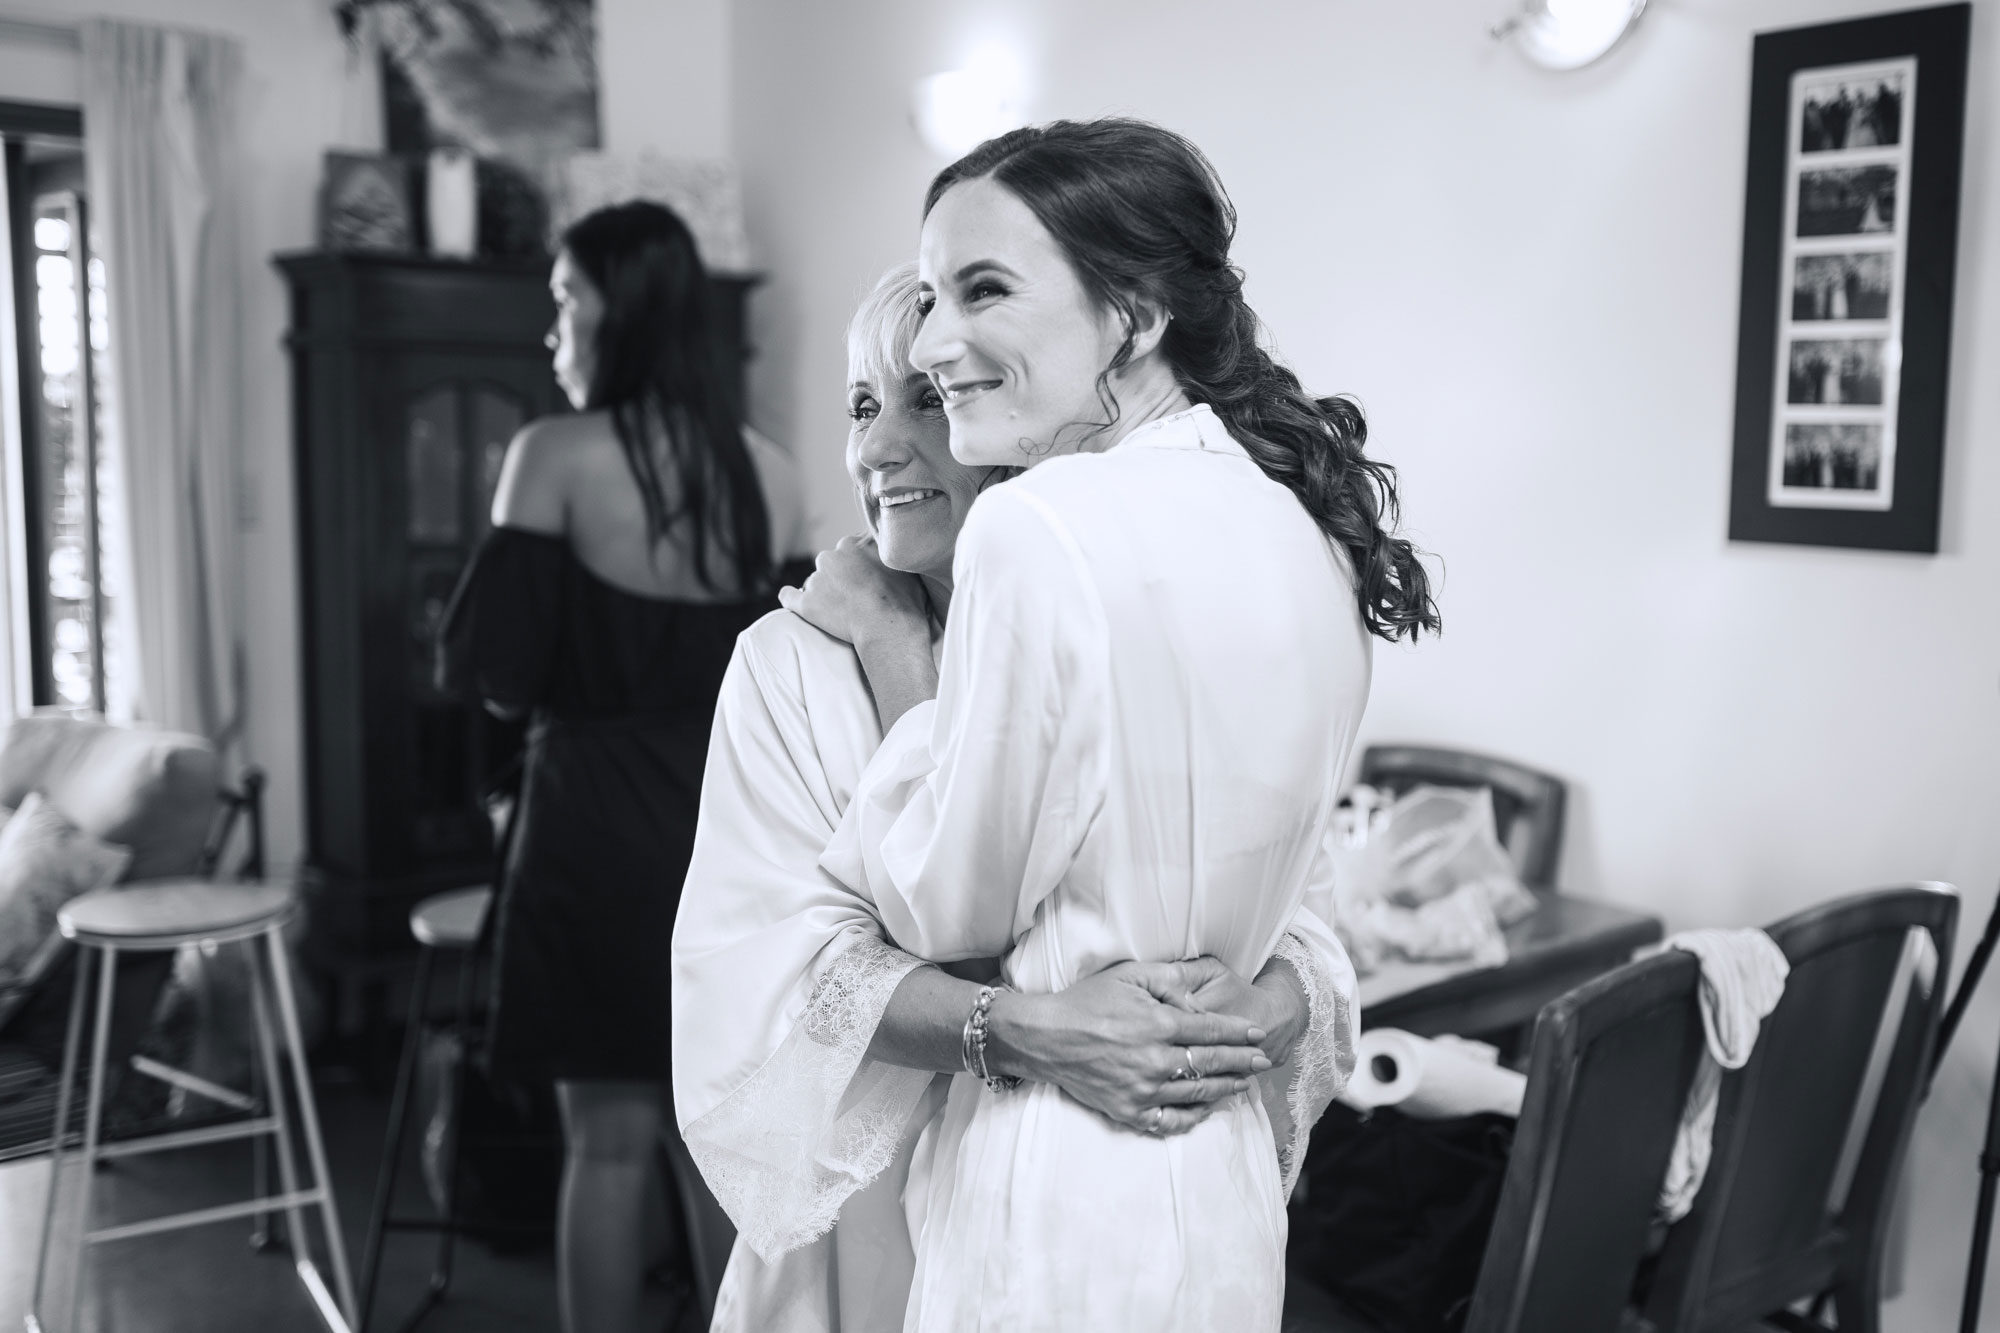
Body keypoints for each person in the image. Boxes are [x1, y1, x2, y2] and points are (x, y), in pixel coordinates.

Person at [785, 119, 1437, 1330]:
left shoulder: (1038, 529)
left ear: (1131, 316)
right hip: (1221, 1180)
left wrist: (893, 666)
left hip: (1054, 1192)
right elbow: (1289, 902)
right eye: (930, 298)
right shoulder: (1302, 528)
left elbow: (946, 908)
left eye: (982, 290)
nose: (933, 346)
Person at [672, 263, 1355, 1331]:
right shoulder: (786, 666)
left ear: (1016, 426)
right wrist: (1035, 1031)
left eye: (926, 402)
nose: (874, 449)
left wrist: (1259, 1007)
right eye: (860, 406)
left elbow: (1299, 909)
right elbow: (775, 972)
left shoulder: (1143, 625)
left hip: (1111, 1205)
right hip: (876, 1216)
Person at [437, 200, 805, 1333]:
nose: (553, 330)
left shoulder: (550, 455)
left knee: (603, 1143)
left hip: (589, 828)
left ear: (620, 310)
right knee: (719, 1146)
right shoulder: (770, 472)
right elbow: (797, 680)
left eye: (563, 300)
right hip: (730, 834)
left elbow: (497, 674)